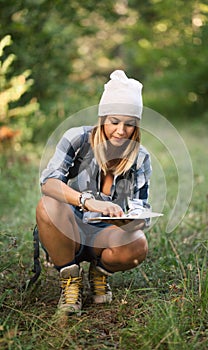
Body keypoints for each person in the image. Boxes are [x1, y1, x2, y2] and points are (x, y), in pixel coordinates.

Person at [36, 70, 152, 316]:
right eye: (114, 122)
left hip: (105, 235)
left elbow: (142, 207)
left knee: (138, 243)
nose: (121, 131)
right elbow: (48, 183)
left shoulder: (141, 157)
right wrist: (88, 202)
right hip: (71, 229)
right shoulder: (77, 139)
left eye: (129, 124)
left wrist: (133, 220)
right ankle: (70, 280)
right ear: (102, 119)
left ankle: (99, 273)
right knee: (47, 205)